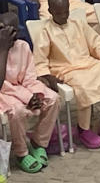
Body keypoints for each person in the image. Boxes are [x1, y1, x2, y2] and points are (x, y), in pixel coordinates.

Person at [35, 0, 100, 149]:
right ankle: (83, 129)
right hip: (66, 69)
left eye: (66, 11)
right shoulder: (45, 31)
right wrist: (47, 76)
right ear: (50, 11)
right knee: (84, 89)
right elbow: (40, 59)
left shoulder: (78, 23)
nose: (64, 15)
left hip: (88, 63)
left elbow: (95, 42)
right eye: (59, 13)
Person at [0, 11, 60, 173]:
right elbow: (1, 85)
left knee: (53, 99)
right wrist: (3, 49)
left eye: (10, 31)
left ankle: (38, 142)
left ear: (17, 32)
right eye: (2, 29)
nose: (6, 34)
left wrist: (35, 95)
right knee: (17, 111)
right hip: (3, 94)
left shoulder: (23, 46)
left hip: (21, 89)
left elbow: (30, 77)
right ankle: (21, 153)